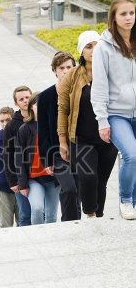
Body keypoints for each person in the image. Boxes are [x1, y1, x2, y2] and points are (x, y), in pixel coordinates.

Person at [58, 31, 118, 218]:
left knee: (101, 181)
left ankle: (98, 216)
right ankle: (90, 213)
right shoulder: (72, 76)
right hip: (82, 138)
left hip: (108, 137)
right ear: (81, 51)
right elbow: (63, 109)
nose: (94, 50)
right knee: (88, 176)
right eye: (88, 46)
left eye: (97, 45)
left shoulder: (112, 71)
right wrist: (62, 141)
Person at [92, 0, 136, 220]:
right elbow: (98, 87)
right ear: (114, 17)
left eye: (132, 13)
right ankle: (126, 199)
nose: (129, 18)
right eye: (123, 14)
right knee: (132, 155)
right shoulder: (104, 48)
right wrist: (102, 121)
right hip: (117, 114)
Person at [37, 51, 81, 221]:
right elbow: (43, 131)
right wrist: (46, 160)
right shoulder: (46, 96)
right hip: (57, 153)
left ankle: (76, 224)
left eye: (69, 67)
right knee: (69, 188)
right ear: (55, 71)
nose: (65, 71)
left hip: (80, 149)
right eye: (61, 68)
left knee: (76, 190)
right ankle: (69, 224)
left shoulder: (81, 91)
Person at [17, 93, 60, 225]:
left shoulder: (52, 125)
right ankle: (38, 237)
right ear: (31, 107)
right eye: (37, 103)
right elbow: (19, 158)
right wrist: (22, 184)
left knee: (51, 216)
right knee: (37, 208)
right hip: (34, 179)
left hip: (52, 178)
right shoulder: (24, 129)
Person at [3, 86, 32, 226]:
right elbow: (7, 154)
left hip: (39, 172)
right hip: (20, 176)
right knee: (25, 213)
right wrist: (12, 181)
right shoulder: (11, 126)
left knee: (42, 210)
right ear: (16, 103)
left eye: (27, 97)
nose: (25, 101)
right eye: (21, 99)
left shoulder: (40, 116)